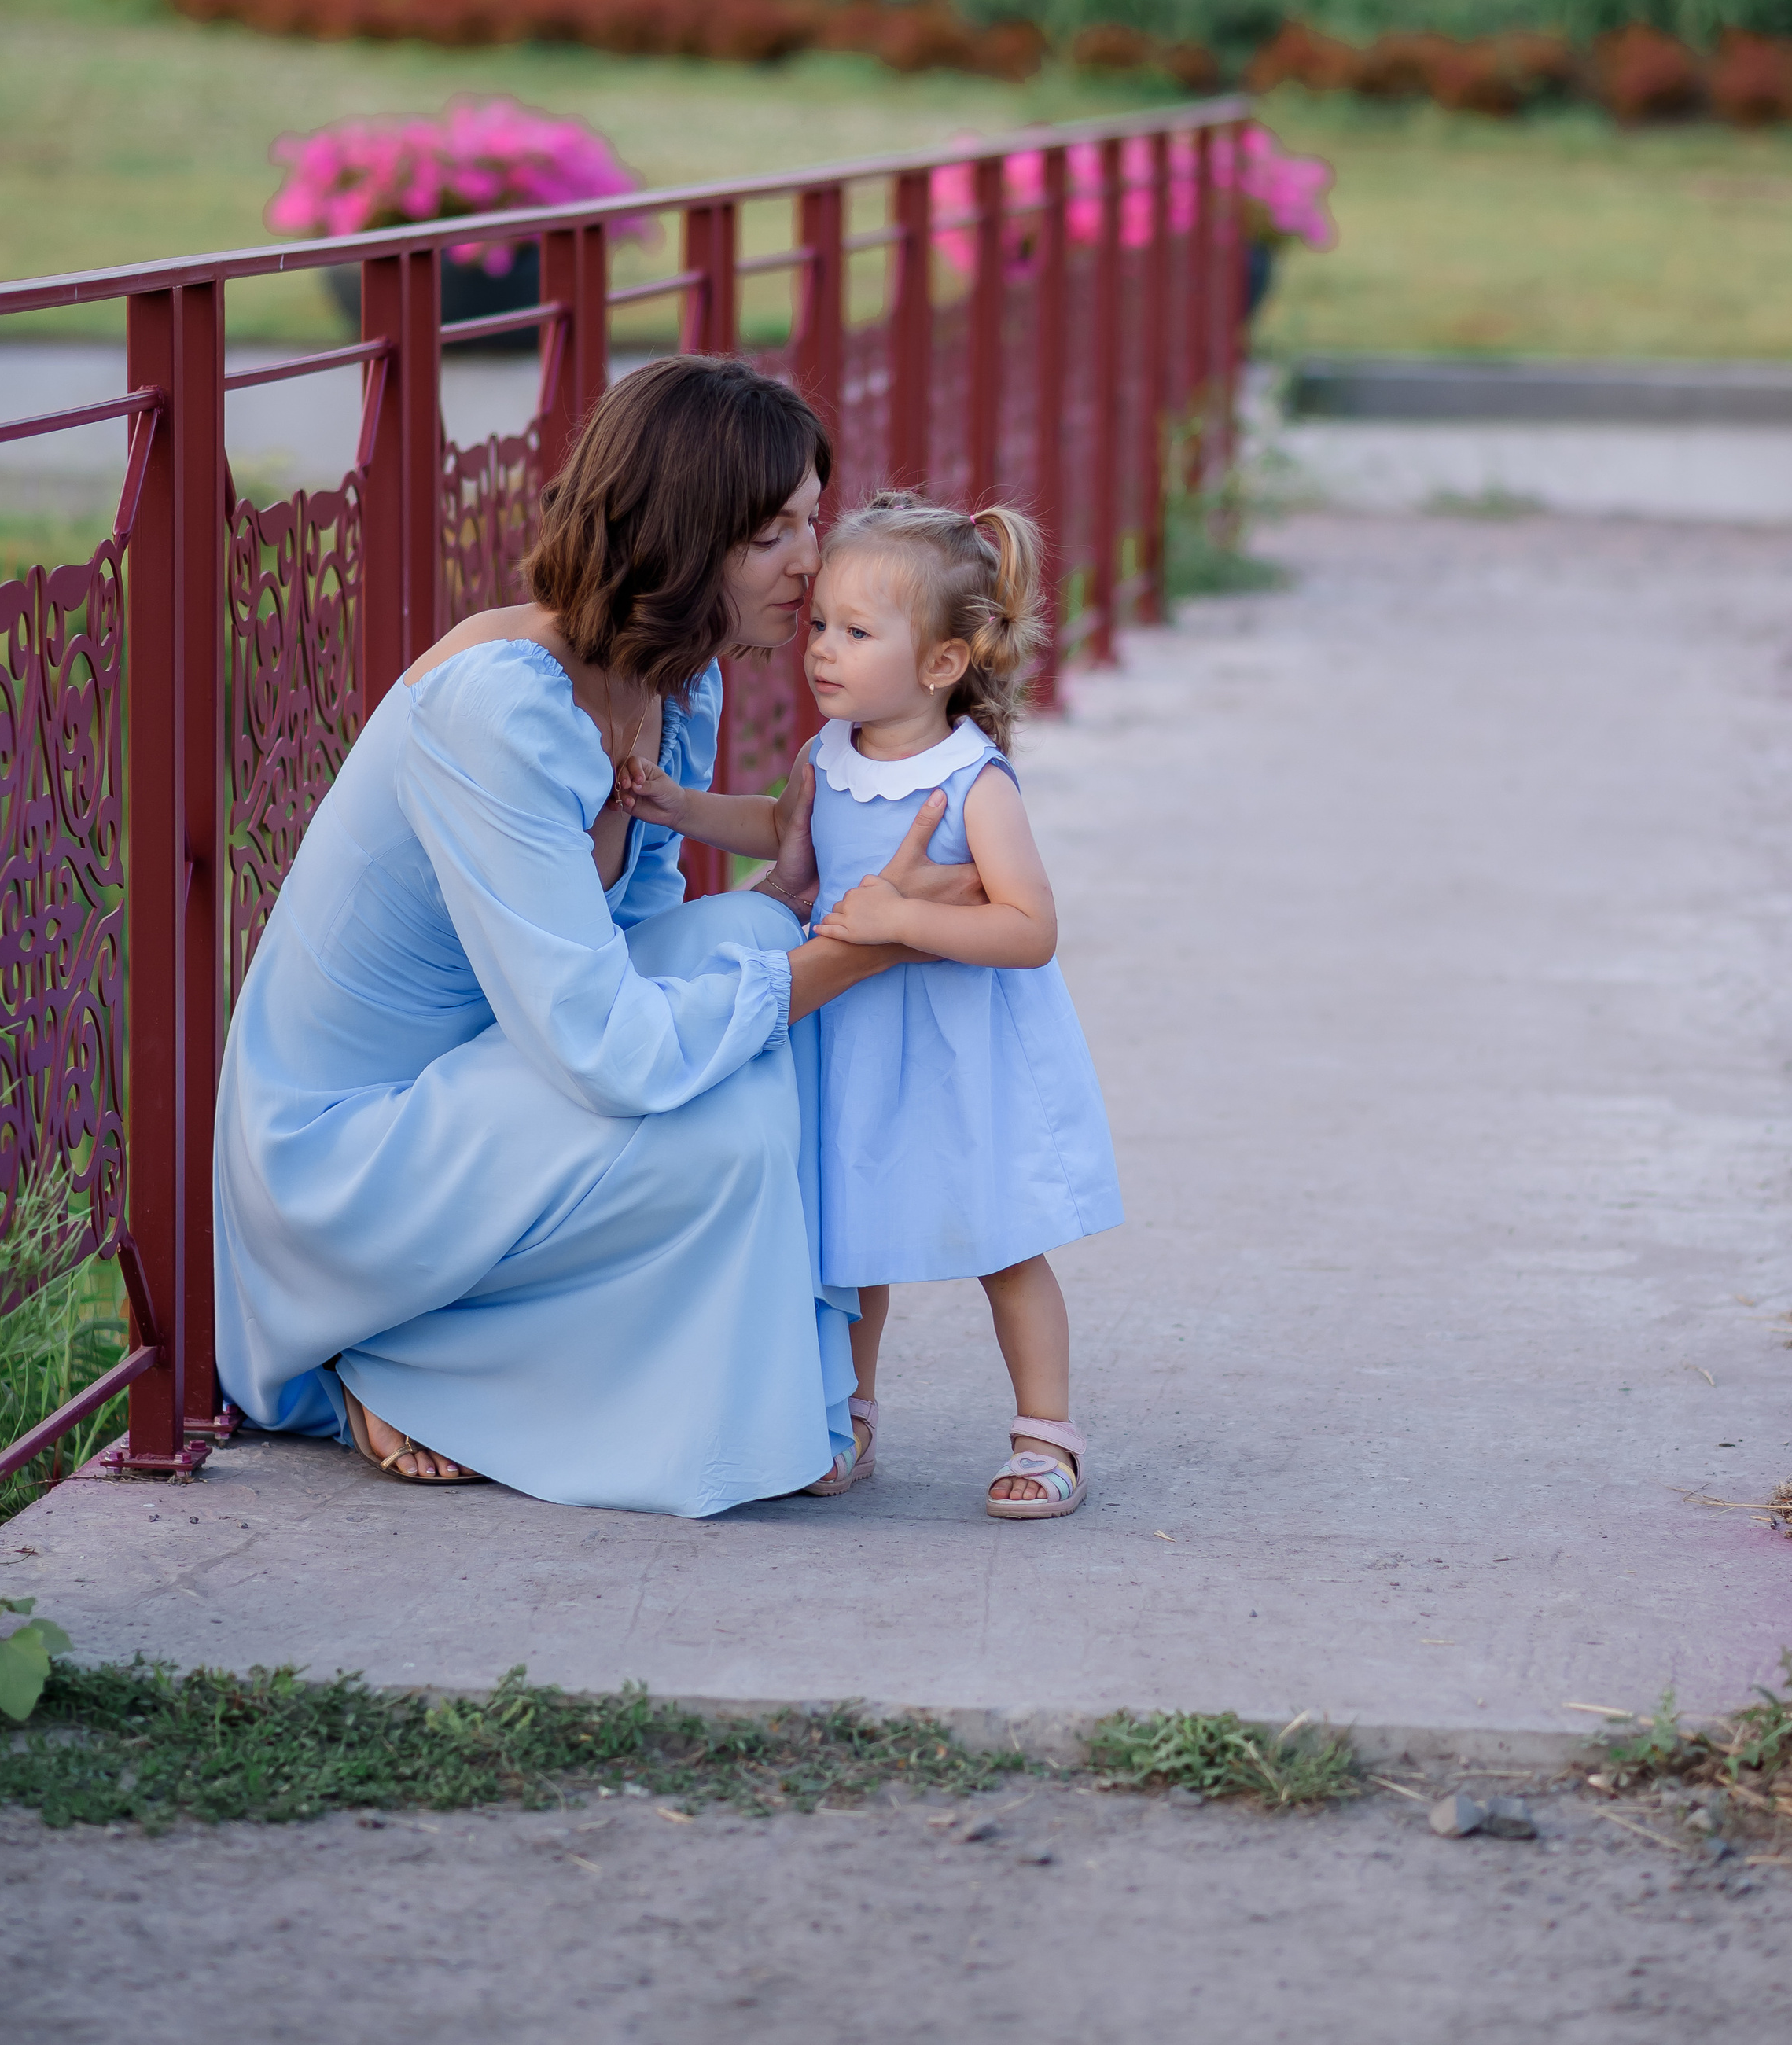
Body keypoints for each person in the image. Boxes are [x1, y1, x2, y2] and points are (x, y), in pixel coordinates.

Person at [212, 357, 971, 1514]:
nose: (816, 562)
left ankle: (536, 1368)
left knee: (764, 991)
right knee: (733, 1117)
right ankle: (397, 1357)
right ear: (679, 535)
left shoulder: (672, 684)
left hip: (490, 1102)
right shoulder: (504, 707)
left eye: (812, 519)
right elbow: (610, 1053)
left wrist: (796, 898)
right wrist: (858, 941)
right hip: (352, 1170)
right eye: (772, 533)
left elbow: (644, 946)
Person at [616, 490, 1121, 1519]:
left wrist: (901, 919)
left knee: (1003, 1241)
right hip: (856, 1040)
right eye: (819, 628)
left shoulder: (974, 782)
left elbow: (1029, 925)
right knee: (850, 1238)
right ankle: (846, 1417)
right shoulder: (824, 756)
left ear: (941, 663)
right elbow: (783, 831)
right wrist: (680, 806)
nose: (822, 652)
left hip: (956, 1044)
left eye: (856, 632)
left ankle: (1046, 1433)